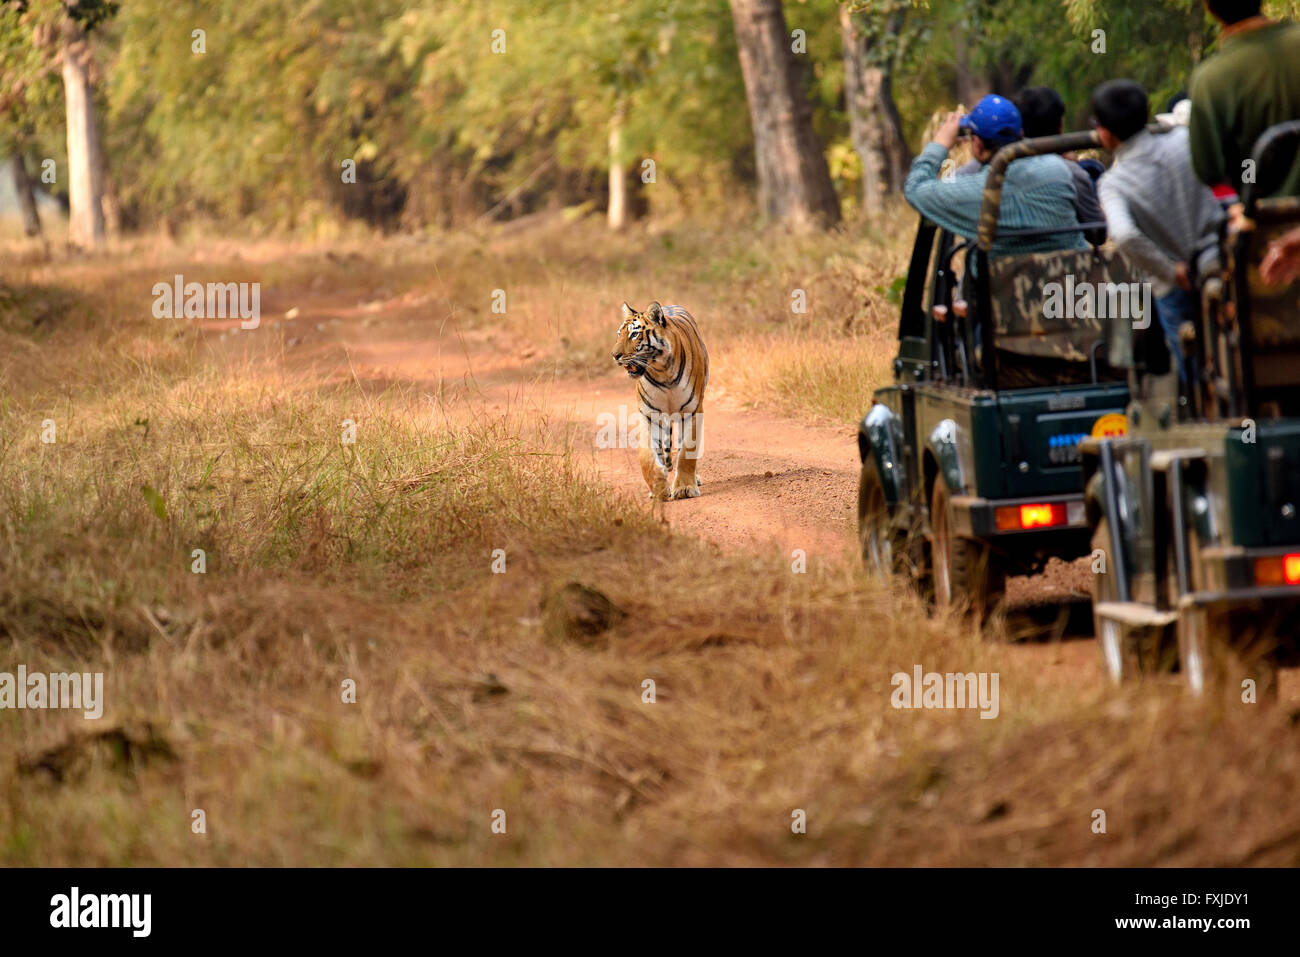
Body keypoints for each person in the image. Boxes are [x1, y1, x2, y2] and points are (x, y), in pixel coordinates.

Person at [1091, 80, 1224, 381]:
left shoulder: (1114, 183)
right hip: (1220, 258)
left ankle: (1204, 410)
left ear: (1105, 133)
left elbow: (1123, 235)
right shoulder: (1184, 140)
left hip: (1177, 284)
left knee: (1195, 368)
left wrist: (1167, 269)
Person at [903, 94, 1087, 258]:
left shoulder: (976, 193)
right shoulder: (1058, 170)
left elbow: (915, 189)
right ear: (1020, 133)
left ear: (978, 144)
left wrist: (940, 144)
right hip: (1069, 291)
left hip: (1005, 294)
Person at [1188, 0, 1300, 197]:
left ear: (1210, 9)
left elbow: (1210, 170)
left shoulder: (1210, 79)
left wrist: (1247, 190)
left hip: (1266, 215)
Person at [1016, 85, 1106, 245]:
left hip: (1007, 268)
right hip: (1065, 269)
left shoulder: (992, 171)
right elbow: (1098, 234)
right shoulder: (1072, 173)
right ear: (1060, 126)